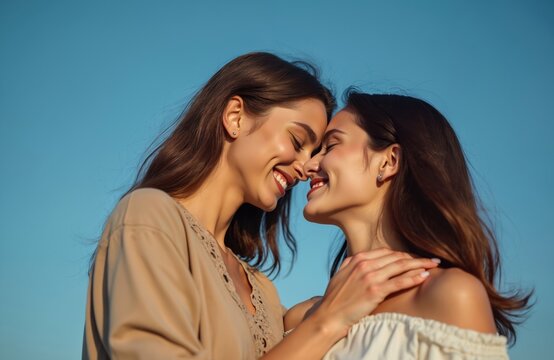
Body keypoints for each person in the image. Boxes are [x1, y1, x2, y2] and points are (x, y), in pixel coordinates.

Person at [83, 53, 440, 359]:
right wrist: (327, 319)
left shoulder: (264, 292)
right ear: (235, 116)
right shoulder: (150, 217)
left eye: (316, 152)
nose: (305, 168)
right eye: (298, 140)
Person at [286, 90, 532, 359]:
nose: (309, 165)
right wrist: (324, 323)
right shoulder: (299, 319)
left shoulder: (452, 296)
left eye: (331, 146)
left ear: (389, 161)